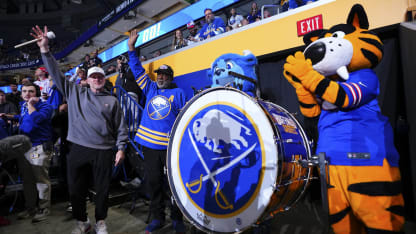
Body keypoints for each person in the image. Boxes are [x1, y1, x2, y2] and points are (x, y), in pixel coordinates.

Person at [32, 25, 128, 234]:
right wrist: (45, 50)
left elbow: (121, 127)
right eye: (93, 76)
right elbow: (56, 73)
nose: (96, 79)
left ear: (104, 79)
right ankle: (82, 223)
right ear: (88, 79)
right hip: (78, 149)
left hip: (104, 150)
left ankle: (101, 222)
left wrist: (121, 148)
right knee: (76, 190)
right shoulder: (75, 92)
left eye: (100, 76)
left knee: (102, 190)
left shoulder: (112, 101)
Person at [127, 29, 186, 233]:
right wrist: (131, 48)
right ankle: (158, 218)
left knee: (172, 185)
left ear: (170, 77)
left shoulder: (178, 93)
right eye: (158, 75)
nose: (160, 78)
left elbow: (183, 119)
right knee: (153, 183)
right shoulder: (151, 88)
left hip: (169, 147)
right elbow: (136, 70)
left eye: (164, 75)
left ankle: (177, 218)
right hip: (150, 146)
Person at [5, 83, 54, 223]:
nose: (27, 94)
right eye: (24, 91)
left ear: (37, 93)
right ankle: (30, 208)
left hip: (38, 149)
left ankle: (44, 208)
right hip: (25, 148)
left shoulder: (45, 106)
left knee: (40, 179)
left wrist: (31, 104)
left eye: (31, 91)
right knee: (28, 180)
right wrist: (9, 117)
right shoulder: (24, 106)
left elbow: (37, 119)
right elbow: (23, 120)